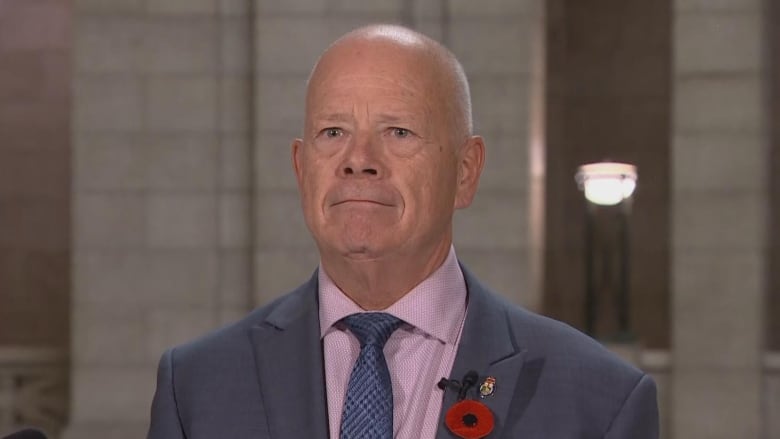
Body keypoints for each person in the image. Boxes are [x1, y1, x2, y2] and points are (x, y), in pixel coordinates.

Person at [147, 24, 658, 439]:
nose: (359, 162)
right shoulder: (195, 388)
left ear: (465, 171)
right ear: (301, 169)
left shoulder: (598, 403)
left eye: (398, 132)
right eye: (333, 133)